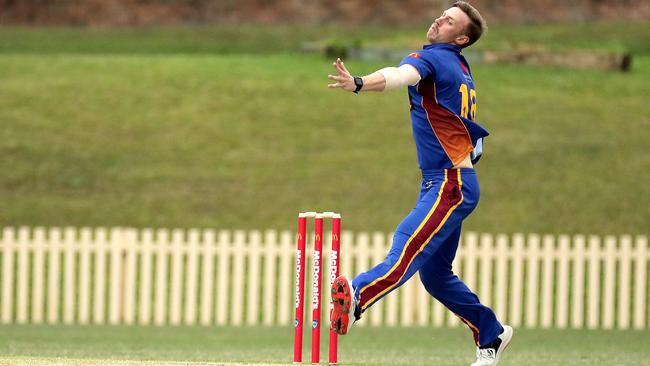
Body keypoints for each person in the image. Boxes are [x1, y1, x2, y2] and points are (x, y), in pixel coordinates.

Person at [326, 2, 513, 366]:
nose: (439, 19)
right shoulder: (460, 67)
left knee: (406, 246)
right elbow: (473, 139)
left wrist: (359, 83)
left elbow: (400, 76)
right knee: (437, 277)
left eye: (450, 21)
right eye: (442, 14)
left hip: (449, 184)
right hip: (450, 181)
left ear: (460, 38)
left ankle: (357, 296)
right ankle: (491, 333)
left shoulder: (437, 58)